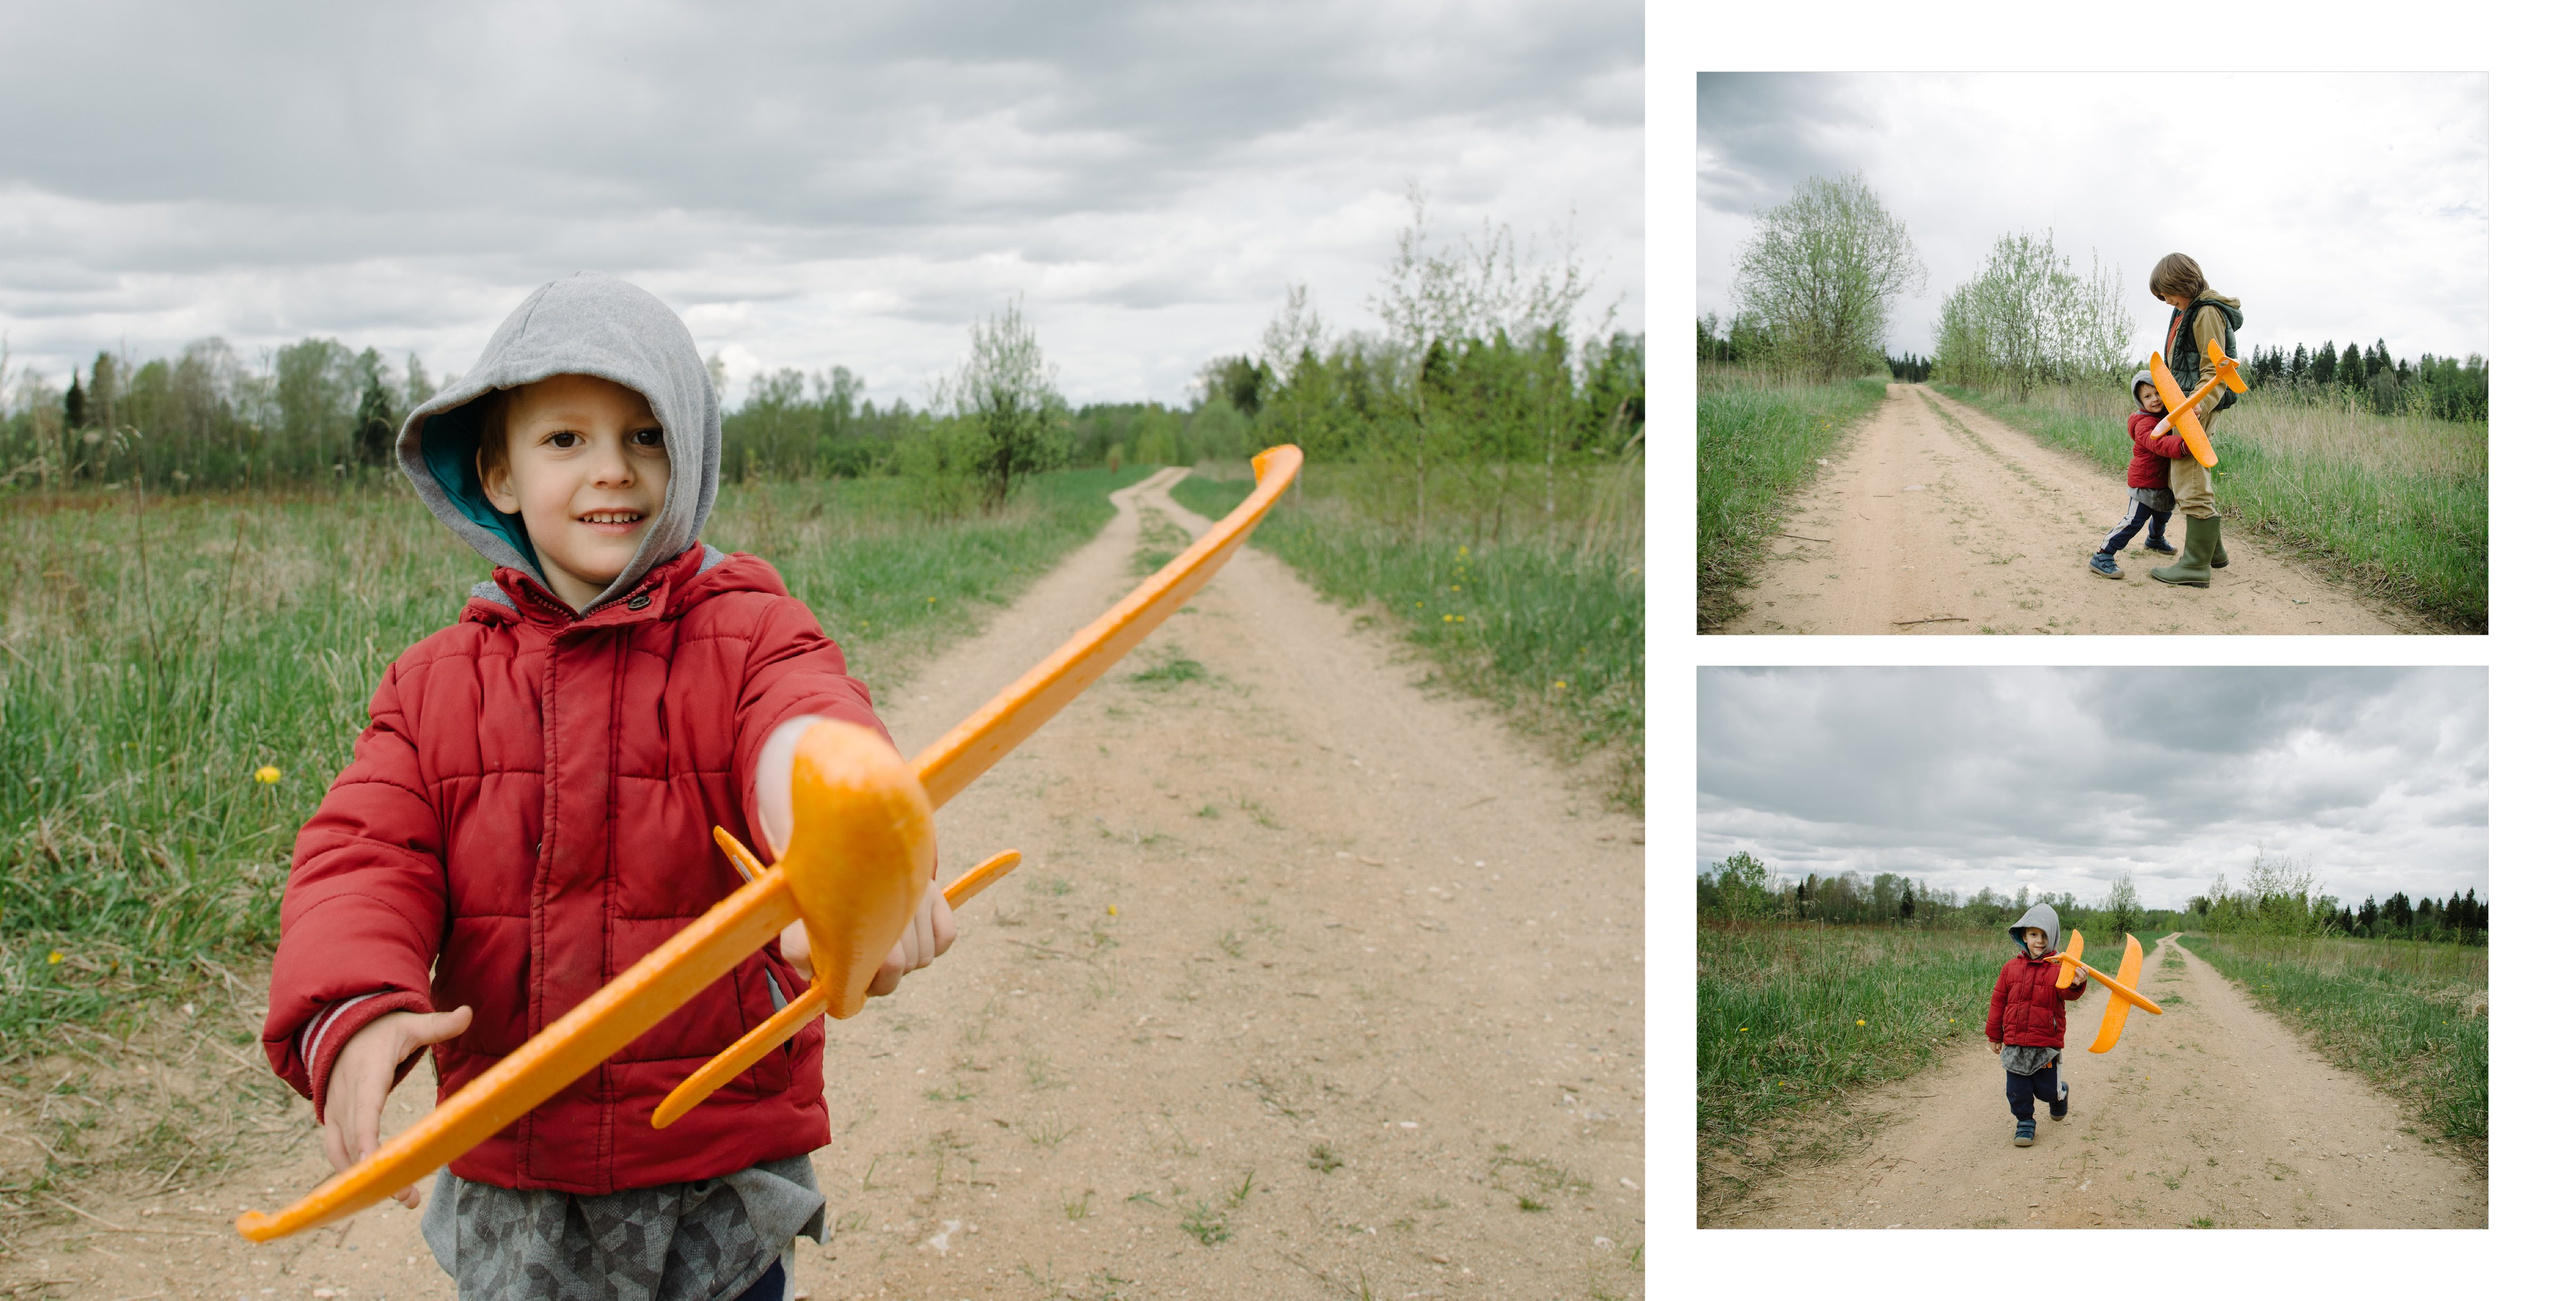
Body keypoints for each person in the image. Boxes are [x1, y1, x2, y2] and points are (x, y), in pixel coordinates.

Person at [258, 273, 955, 1301]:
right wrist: (351, 1003)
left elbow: (803, 722)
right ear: (496, 471)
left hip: (717, 1162)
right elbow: (365, 853)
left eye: (645, 435)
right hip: (516, 1171)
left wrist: (847, 836)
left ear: (692, 454)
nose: (611, 471)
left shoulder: (751, 630)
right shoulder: (433, 683)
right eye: (565, 440)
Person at [2146, 253, 2242, 587]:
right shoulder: (2184, 310)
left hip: (2195, 407)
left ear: (2182, 283)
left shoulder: (2206, 313)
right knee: (2182, 477)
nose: (2166, 300)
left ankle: (2194, 567)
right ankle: (2212, 553)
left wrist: (2200, 402)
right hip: (2183, 405)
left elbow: (2214, 368)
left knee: (2189, 478)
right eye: (2161, 296)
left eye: (2168, 293)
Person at [1983, 902, 2087, 1147]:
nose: (2039, 941)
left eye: (2044, 935)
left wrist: (2076, 983)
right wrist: (1994, 1035)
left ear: (2053, 938)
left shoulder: (2059, 968)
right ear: (2023, 936)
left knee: (2045, 1090)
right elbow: (1998, 1002)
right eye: (2033, 934)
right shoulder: (2010, 968)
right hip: (2015, 1042)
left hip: (2045, 1043)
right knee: (2017, 1089)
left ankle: (2059, 1093)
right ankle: (2025, 1122)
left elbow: (2068, 994)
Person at [2087, 371, 2182, 579]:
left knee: (2163, 513)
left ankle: (2155, 540)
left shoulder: (2166, 415)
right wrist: (2183, 445)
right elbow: (2157, 442)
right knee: (2134, 520)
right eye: (2147, 396)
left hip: (2161, 481)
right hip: (2145, 482)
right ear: (2139, 400)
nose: (2155, 399)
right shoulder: (2143, 423)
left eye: (2158, 393)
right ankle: (2103, 555)